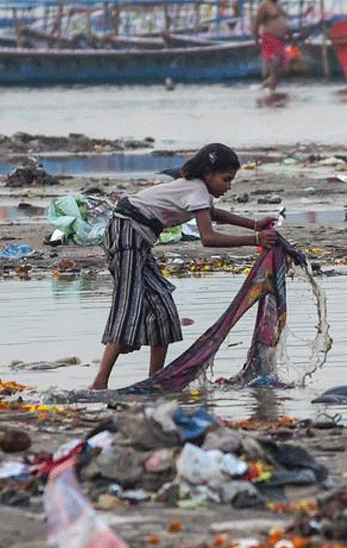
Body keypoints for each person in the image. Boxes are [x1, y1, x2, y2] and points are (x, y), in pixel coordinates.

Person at [89, 143, 278, 391]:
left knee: (164, 314)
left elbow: (212, 213)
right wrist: (254, 239)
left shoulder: (198, 190)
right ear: (208, 173)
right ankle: (99, 382)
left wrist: (254, 224)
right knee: (128, 310)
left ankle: (154, 381)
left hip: (137, 241)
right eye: (226, 179)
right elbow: (208, 238)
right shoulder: (197, 189)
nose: (229, 186)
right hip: (127, 236)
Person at [252, 0, 292, 91]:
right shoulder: (264, 5)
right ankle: (271, 94)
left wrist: (291, 38)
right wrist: (256, 41)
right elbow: (256, 23)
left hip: (281, 41)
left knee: (286, 68)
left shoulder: (278, 5)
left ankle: (266, 85)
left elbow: (285, 22)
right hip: (270, 40)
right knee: (275, 68)